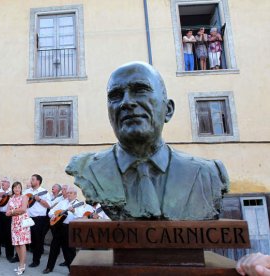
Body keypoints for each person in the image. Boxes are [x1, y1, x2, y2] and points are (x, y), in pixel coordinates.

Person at [66, 61, 229, 221]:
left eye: (140, 90)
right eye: (115, 95)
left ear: (168, 110)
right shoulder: (86, 169)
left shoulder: (208, 173)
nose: (126, 102)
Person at [43, 186, 85, 274]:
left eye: (71, 193)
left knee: (70, 251)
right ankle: (49, 267)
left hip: (70, 228)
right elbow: (51, 211)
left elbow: (81, 216)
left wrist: (74, 211)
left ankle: (72, 270)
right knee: (54, 247)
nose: (68, 194)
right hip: (59, 227)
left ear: (75, 194)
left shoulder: (79, 204)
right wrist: (53, 215)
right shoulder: (62, 202)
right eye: (68, 193)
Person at [23, 174, 50, 268]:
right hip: (26, 218)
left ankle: (36, 260)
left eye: (33, 179)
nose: (31, 181)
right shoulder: (27, 191)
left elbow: (48, 205)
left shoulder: (44, 192)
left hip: (38, 219)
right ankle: (19, 258)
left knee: (37, 241)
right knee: (23, 239)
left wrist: (39, 200)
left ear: (38, 181)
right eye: (31, 179)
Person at [6, 181, 31, 275]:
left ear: (21, 189)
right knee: (16, 243)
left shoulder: (24, 197)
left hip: (22, 222)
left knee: (22, 243)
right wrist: (16, 212)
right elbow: (6, 212)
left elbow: (23, 209)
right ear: (12, 189)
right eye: (15, 187)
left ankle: (21, 265)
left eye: (19, 187)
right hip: (14, 223)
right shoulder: (11, 198)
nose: (17, 189)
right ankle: (21, 264)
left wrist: (12, 211)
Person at [0, 177, 14, 261]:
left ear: (9, 184)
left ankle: (9, 255)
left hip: (8, 215)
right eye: (2, 181)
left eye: (5, 181)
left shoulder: (12, 193)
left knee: (8, 235)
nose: (3, 183)